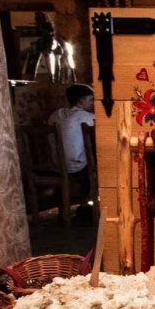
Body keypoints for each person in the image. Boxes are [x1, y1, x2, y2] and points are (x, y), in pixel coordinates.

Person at [48, 84, 95, 219]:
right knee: (93, 163)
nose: (93, 103)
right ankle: (85, 205)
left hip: (55, 165)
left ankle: (64, 208)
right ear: (81, 101)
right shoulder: (87, 117)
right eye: (91, 100)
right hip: (76, 167)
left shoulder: (56, 114)